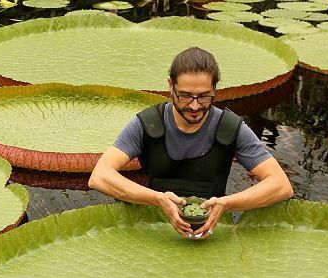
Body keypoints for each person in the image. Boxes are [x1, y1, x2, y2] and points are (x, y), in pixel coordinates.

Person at [88, 47, 293, 240]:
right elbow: (100, 177)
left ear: (215, 88)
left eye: (204, 97)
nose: (195, 106)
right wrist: (158, 199)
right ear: (170, 86)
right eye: (185, 96)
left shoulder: (231, 127)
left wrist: (227, 203)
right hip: (152, 231)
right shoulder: (147, 123)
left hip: (208, 234)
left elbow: (281, 186)